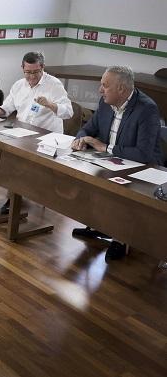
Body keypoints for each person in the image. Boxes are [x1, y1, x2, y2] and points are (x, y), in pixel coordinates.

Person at [71, 65, 162, 261]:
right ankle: (98, 225)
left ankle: (121, 239)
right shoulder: (106, 102)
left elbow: (144, 154)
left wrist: (105, 148)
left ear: (121, 88)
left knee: (120, 191)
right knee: (88, 176)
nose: (100, 89)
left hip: (141, 167)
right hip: (112, 161)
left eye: (105, 85)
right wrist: (80, 139)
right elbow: (88, 128)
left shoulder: (146, 109)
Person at [0, 52, 74, 214]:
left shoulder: (54, 85)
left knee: (20, 163)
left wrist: (51, 105)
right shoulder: (19, 85)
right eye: (28, 72)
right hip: (22, 134)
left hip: (47, 138)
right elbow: (7, 109)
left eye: (35, 72)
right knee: (5, 156)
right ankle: (16, 197)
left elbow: (68, 113)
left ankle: (17, 198)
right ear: (22, 69)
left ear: (42, 68)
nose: (31, 76)